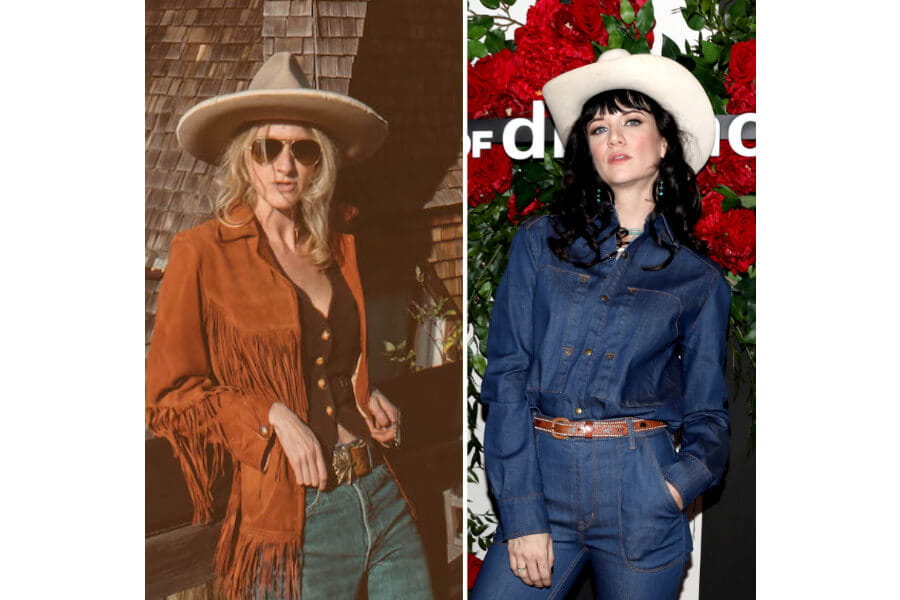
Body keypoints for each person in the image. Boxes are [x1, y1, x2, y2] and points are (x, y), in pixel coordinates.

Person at [146, 52, 433, 600]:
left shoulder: (337, 243)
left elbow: (328, 356)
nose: (285, 166)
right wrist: (270, 414)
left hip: (379, 489)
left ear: (320, 161)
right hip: (296, 513)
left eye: (302, 150)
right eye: (267, 148)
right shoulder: (202, 253)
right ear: (243, 159)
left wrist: (363, 387)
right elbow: (168, 394)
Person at [470, 49, 731, 599]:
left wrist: (671, 489)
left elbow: (708, 415)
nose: (613, 137)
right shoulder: (540, 244)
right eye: (598, 126)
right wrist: (522, 513)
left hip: (642, 490)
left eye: (631, 122)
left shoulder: (697, 279)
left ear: (664, 144)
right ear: (586, 150)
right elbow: (509, 376)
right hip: (542, 479)